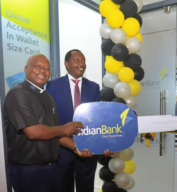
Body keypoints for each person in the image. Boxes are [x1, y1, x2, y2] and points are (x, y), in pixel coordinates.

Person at [3, 54, 94, 192]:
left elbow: (55, 133)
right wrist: (64, 129)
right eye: (37, 66)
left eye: (46, 68)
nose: (42, 70)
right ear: (26, 69)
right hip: (28, 170)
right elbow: (33, 132)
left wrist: (77, 148)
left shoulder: (48, 97)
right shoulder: (18, 93)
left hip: (51, 168)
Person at [46, 49, 104, 192]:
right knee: (62, 187)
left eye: (83, 61)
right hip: (62, 148)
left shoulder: (94, 87)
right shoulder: (53, 86)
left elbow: (98, 119)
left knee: (86, 186)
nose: (81, 64)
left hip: (87, 149)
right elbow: (49, 118)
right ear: (66, 64)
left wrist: (102, 143)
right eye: (77, 60)